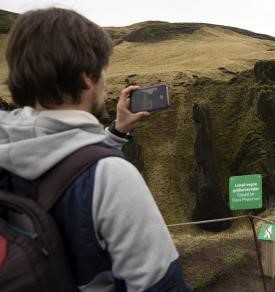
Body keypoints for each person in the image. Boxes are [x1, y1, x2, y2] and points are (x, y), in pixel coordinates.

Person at [0, 8, 191, 291]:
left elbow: (58, 155)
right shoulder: (112, 177)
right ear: (87, 77)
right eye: (103, 70)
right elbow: (162, 285)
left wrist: (116, 132)